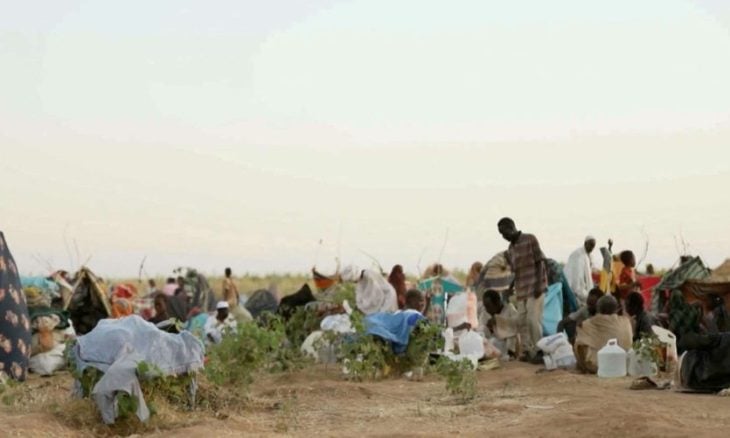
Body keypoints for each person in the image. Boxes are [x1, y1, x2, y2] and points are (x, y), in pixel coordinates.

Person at [498, 217, 547, 363]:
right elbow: (516, 272)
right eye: (501, 234)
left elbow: (540, 262)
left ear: (511, 227)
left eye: (504, 232)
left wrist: (539, 285)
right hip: (521, 290)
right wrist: (509, 288)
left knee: (533, 320)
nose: (503, 236)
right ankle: (527, 351)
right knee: (522, 322)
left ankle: (540, 350)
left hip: (535, 286)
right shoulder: (510, 250)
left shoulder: (530, 239)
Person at [574, 295, 633, 373]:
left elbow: (579, 343)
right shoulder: (626, 322)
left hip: (598, 366)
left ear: (598, 309)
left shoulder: (589, 323)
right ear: (616, 309)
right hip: (623, 364)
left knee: (579, 342)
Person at [477, 290, 520, 357]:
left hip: (507, 345)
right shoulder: (484, 314)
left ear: (497, 303)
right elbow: (481, 333)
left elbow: (517, 323)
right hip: (493, 346)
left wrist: (498, 320)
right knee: (483, 330)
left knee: (512, 335)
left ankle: (510, 355)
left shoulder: (509, 308)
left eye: (488, 306)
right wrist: (489, 328)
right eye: (485, 306)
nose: (487, 309)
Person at [564, 236, 596, 305]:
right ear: (585, 243)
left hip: (585, 291)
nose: (592, 248)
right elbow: (577, 276)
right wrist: (580, 292)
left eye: (593, 247)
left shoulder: (588, 256)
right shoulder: (578, 254)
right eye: (591, 245)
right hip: (577, 292)